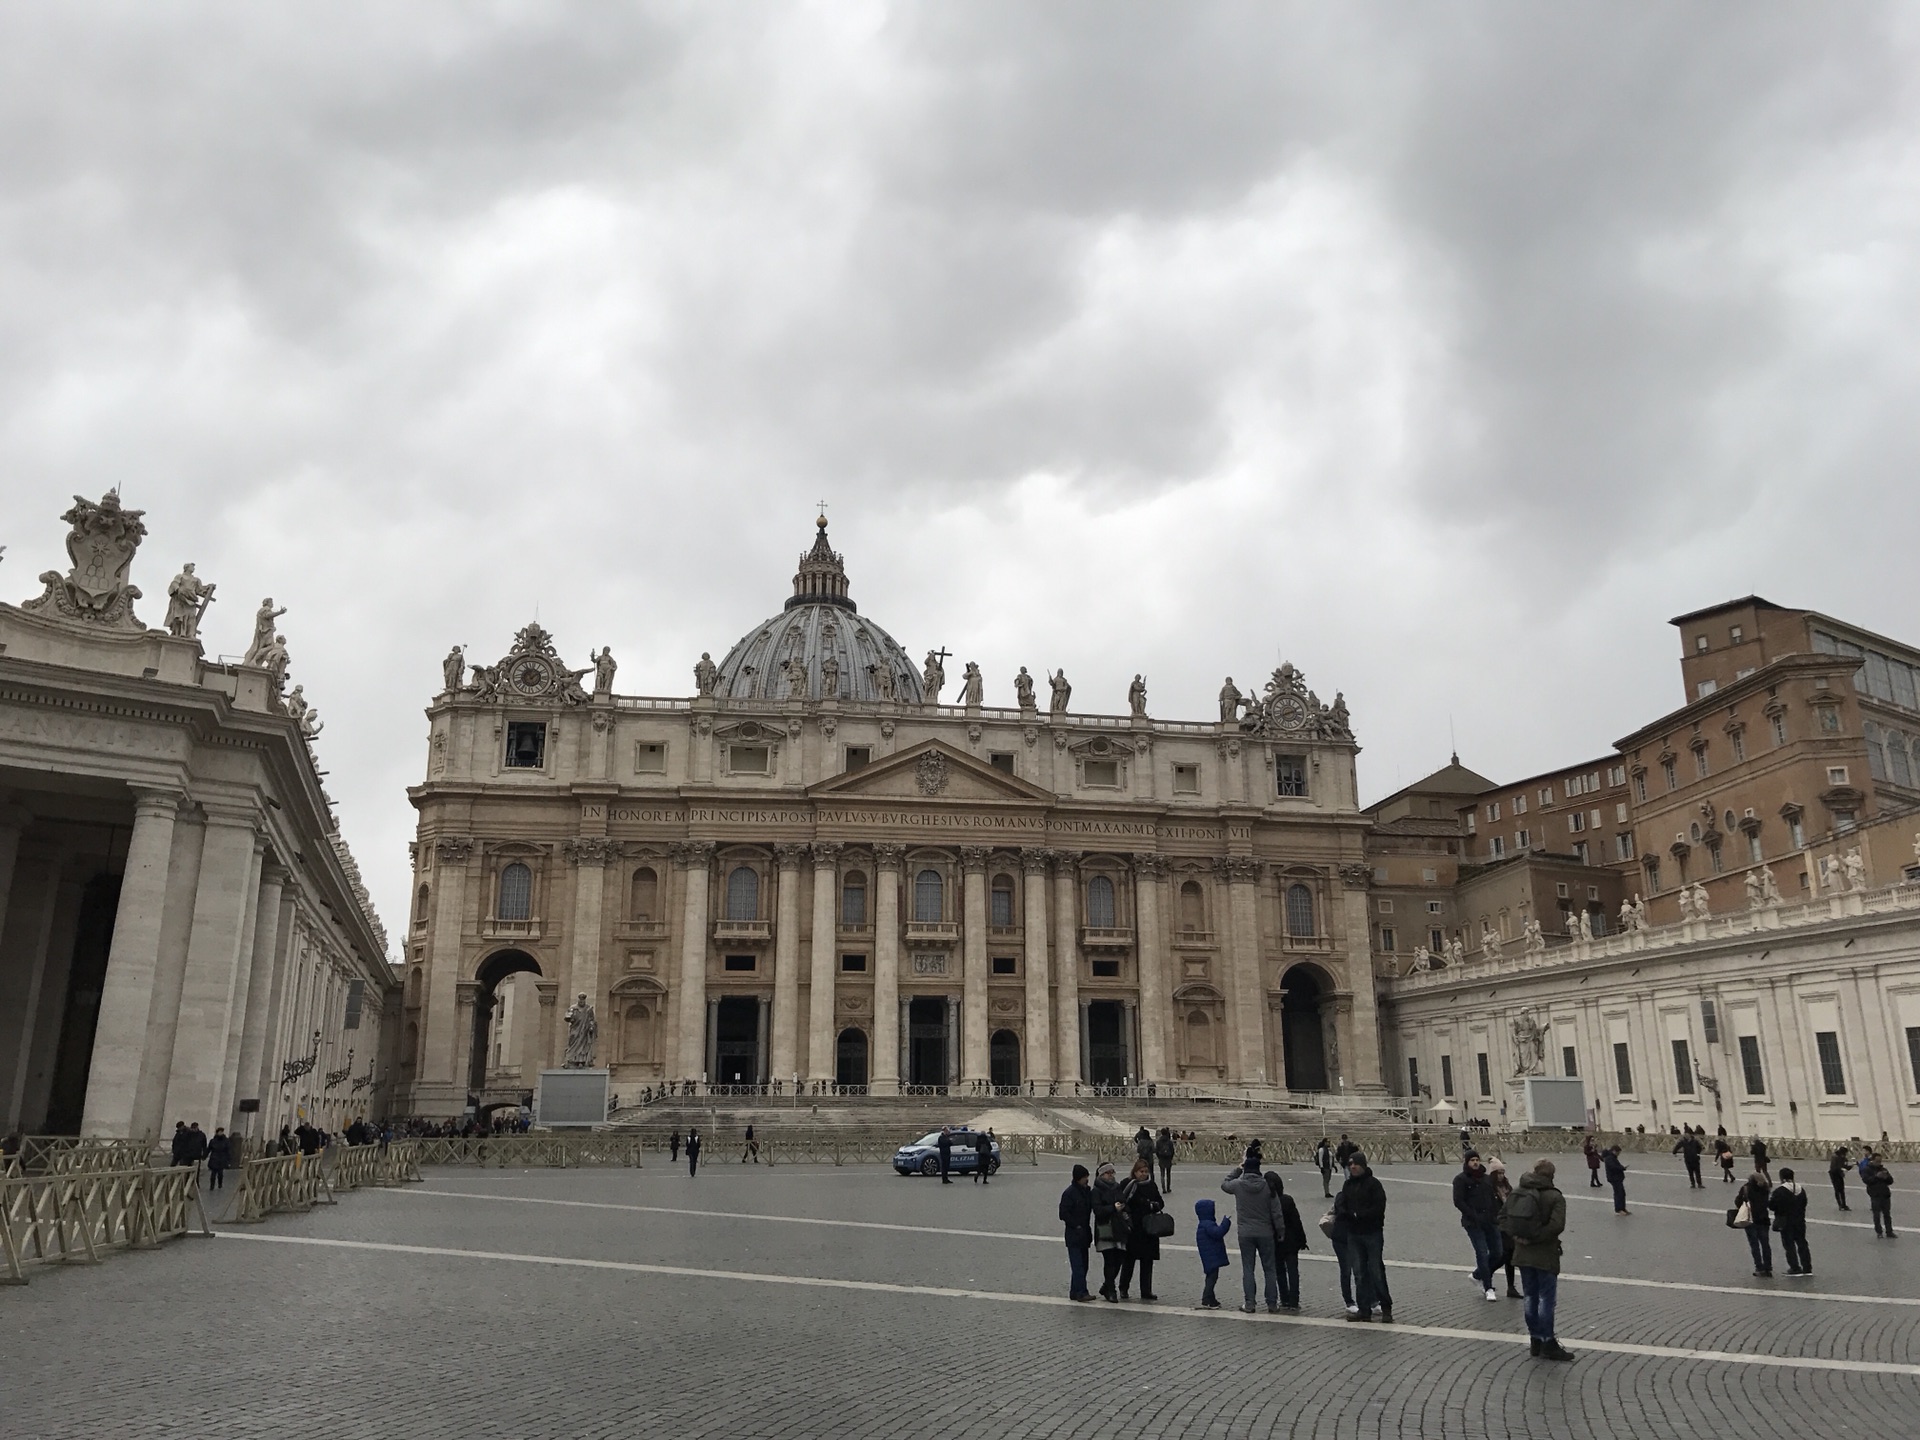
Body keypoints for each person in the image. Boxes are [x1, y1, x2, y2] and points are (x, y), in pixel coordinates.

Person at [1506, 1159, 1573, 1361]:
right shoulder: (1555, 1197)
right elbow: (1557, 1226)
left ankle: (1535, 1339)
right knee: (1545, 1299)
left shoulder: (1518, 1191)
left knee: (1530, 1297)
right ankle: (1547, 1341)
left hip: (1522, 1254)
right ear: (1552, 1175)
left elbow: (1502, 1217)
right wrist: (1537, 1237)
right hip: (1545, 1255)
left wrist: (1518, 1237)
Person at [1334, 1151, 1391, 1323]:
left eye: (1355, 1164)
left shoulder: (1374, 1185)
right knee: (1359, 1272)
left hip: (1372, 1233)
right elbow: (1341, 1205)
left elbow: (1379, 1208)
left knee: (1376, 1271)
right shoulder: (1348, 1185)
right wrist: (1348, 1215)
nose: (1352, 1167)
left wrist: (1359, 1215)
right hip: (1354, 1234)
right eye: (1350, 1164)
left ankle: (1386, 1307)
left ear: (1363, 1165)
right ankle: (1364, 1309)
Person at [1221, 1149, 1280, 1313]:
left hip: (1245, 1232)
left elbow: (1224, 1183)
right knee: (1269, 1269)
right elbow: (1276, 1212)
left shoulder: (1238, 1185)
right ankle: (1272, 1303)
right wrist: (1280, 1231)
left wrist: (1238, 1168)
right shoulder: (1268, 1186)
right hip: (1266, 1232)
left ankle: (1250, 1303)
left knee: (1248, 1268)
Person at [1452, 1151, 1503, 1300]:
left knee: (1498, 1253)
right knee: (1481, 1252)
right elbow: (1458, 1201)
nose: (1475, 1163)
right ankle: (1488, 1287)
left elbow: (1493, 1199)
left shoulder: (1487, 1179)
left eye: (1477, 1160)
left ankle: (1477, 1275)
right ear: (1467, 1162)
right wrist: (1473, 1215)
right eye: (1472, 1160)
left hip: (1490, 1220)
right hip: (1473, 1223)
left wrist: (1496, 1215)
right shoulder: (1460, 1180)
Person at [1118, 1157, 1164, 1300]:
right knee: (1129, 1261)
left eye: (1146, 1171)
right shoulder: (1127, 1184)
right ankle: (1123, 1288)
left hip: (1149, 1229)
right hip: (1133, 1227)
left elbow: (1160, 1202)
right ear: (1135, 1172)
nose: (1144, 1174)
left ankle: (1146, 1290)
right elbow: (1122, 1202)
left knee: (1147, 1261)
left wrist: (1154, 1205)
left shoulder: (1151, 1185)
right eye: (1141, 1171)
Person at [1265, 1171, 1308, 1311]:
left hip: (1275, 1241)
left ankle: (1284, 1299)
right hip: (1291, 1240)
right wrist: (1302, 1240)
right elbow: (1296, 1221)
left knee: (1280, 1271)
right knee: (1293, 1271)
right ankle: (1294, 1301)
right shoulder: (1287, 1200)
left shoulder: (1266, 1201)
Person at [1093, 1162, 1129, 1301]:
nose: (1111, 1175)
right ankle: (1111, 1291)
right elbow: (1098, 1211)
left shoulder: (1117, 1186)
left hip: (1119, 1227)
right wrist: (1113, 1208)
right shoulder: (1096, 1190)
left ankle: (1106, 1286)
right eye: (1108, 1173)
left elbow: (1123, 1201)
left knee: (1119, 1259)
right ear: (1102, 1175)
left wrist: (1122, 1207)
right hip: (1105, 1229)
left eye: (1112, 1172)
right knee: (1109, 1261)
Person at [1059, 1165, 1095, 1301]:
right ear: (1079, 1178)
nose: (1087, 1180)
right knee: (1078, 1265)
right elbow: (1063, 1214)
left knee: (1083, 1265)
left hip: (1084, 1233)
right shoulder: (1069, 1193)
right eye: (1085, 1177)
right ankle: (1081, 1292)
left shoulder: (1086, 1192)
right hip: (1074, 1234)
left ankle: (1075, 1291)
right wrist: (1076, 1225)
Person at [1488, 1157, 1522, 1298]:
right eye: (1498, 1173)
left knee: (1510, 1256)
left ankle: (1510, 1287)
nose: (1501, 1176)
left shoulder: (1507, 1187)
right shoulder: (1489, 1188)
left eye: (1503, 1173)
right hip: (1498, 1225)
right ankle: (1484, 1274)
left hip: (1509, 1224)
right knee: (1503, 1255)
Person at [1772, 1167, 1812, 1276]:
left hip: (1786, 1222)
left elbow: (1772, 1205)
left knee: (1789, 1245)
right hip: (1800, 1220)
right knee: (1802, 1243)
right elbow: (1804, 1203)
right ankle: (1807, 1267)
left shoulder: (1780, 1191)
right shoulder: (1800, 1189)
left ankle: (1794, 1267)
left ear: (1782, 1177)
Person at [1193, 1196, 1231, 1309]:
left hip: (1209, 1256)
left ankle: (1212, 1299)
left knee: (1211, 1277)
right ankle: (1206, 1299)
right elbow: (1218, 1233)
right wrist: (1226, 1223)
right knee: (1212, 1278)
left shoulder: (1203, 1224)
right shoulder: (1208, 1224)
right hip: (1212, 1256)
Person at [1738, 1169, 1773, 1275]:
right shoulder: (1765, 1189)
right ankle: (1768, 1267)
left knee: (1754, 1245)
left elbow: (1738, 1201)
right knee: (1765, 1244)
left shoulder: (1746, 1189)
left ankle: (1759, 1267)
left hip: (1751, 1219)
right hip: (1763, 1219)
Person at [1864, 1153, 1896, 1238]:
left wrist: (1886, 1177)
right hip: (1875, 1195)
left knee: (1887, 1214)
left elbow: (1891, 1181)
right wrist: (1876, 1177)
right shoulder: (1867, 1169)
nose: (1879, 1163)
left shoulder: (1883, 1169)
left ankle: (1889, 1231)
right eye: (1877, 1161)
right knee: (1877, 1214)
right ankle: (1879, 1232)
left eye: (1880, 1161)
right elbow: (1866, 1180)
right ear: (1873, 1160)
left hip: (1885, 1194)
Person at [1602, 1146, 1629, 1215]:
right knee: (1618, 1193)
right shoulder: (1609, 1158)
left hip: (1617, 1178)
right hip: (1614, 1178)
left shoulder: (1612, 1157)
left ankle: (1623, 1208)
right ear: (1614, 1151)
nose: (1618, 1154)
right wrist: (1622, 1168)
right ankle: (1618, 1209)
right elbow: (1613, 1167)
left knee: (1622, 1193)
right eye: (1618, 1152)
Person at [1829, 1145, 1851, 1211]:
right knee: (1837, 1189)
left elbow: (1844, 1166)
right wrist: (1841, 1169)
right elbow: (1834, 1167)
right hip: (1834, 1174)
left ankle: (1843, 1204)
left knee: (1841, 1190)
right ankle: (1840, 1205)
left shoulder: (1842, 1157)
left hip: (1839, 1174)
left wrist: (1850, 1166)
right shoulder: (1835, 1157)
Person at [1155, 1127, 1176, 1192]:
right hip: (1168, 1159)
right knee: (1168, 1174)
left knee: (1162, 1174)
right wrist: (1171, 1158)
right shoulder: (1169, 1141)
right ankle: (1168, 1188)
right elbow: (1172, 1151)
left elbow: (1156, 1150)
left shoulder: (1158, 1141)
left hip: (1161, 1158)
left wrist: (1159, 1157)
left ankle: (1163, 1188)